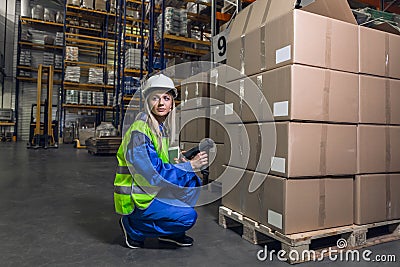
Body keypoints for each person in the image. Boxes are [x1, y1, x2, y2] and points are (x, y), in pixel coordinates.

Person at [114, 73, 208, 249]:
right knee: (188, 217)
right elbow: (154, 174)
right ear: (147, 102)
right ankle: (133, 227)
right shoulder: (139, 132)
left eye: (166, 98)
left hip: (152, 192)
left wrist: (181, 159)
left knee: (191, 181)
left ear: (172, 103)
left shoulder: (161, 128)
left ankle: (170, 233)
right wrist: (190, 166)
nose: (161, 103)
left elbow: (161, 159)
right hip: (138, 199)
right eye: (155, 98)